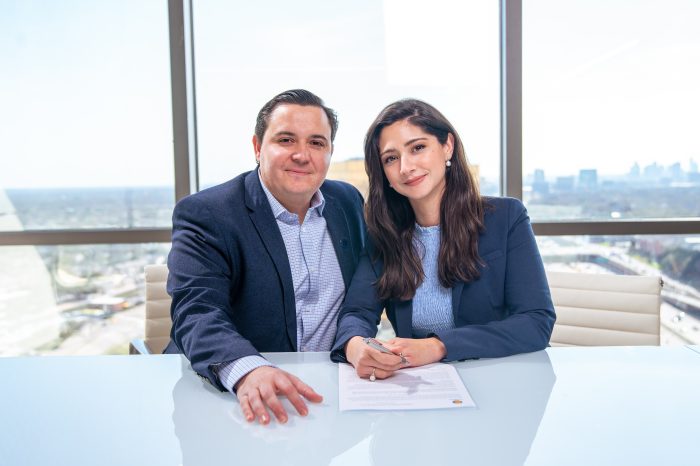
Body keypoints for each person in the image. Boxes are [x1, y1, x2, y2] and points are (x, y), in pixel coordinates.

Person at [165, 89, 366, 424]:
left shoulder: (347, 202)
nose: (303, 155)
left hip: (327, 396)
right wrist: (249, 370)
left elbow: (362, 293)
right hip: (230, 395)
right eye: (286, 140)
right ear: (258, 148)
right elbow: (196, 311)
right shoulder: (207, 213)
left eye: (317, 143)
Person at [331, 99, 555, 379]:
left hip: (498, 382)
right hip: (422, 389)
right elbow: (357, 312)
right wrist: (355, 346)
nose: (406, 167)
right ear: (384, 173)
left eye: (418, 148)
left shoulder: (506, 218)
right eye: (391, 158)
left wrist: (438, 346)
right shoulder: (384, 235)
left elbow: (535, 322)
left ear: (447, 146)